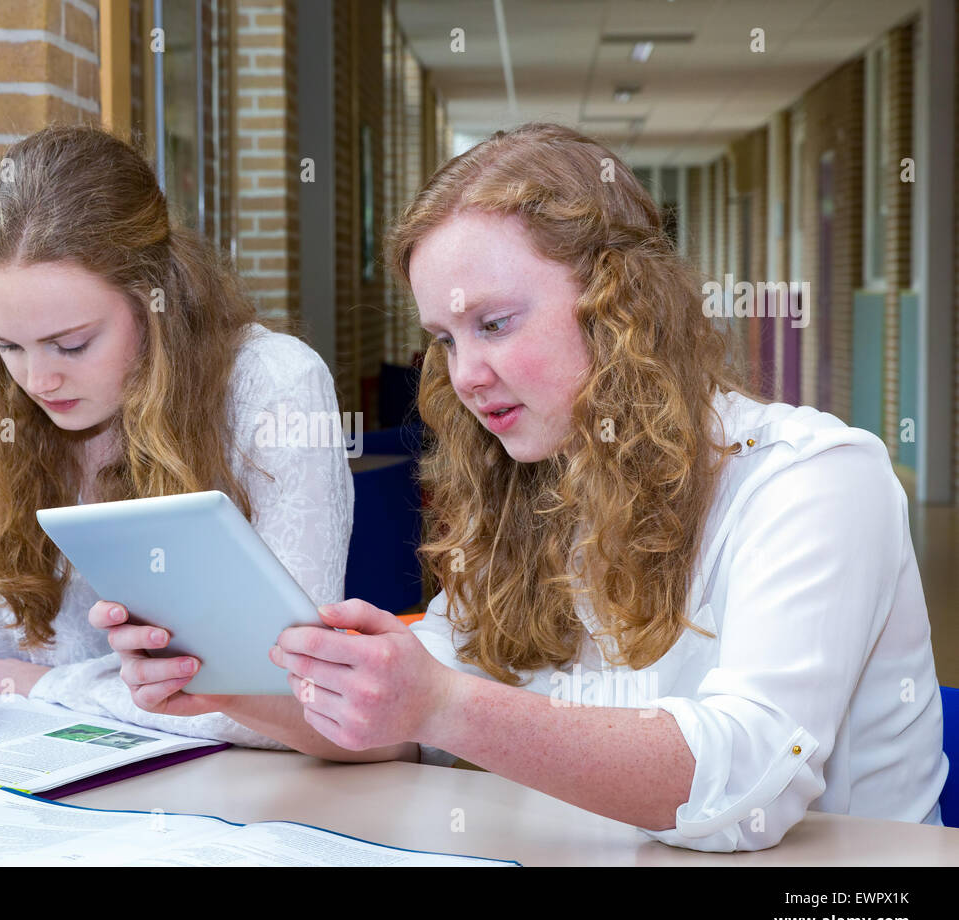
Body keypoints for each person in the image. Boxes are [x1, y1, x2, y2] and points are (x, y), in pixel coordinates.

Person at [96, 122, 948, 851]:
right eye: (445, 338)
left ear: (622, 306)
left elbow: (747, 788)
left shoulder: (816, 480)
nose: (467, 375)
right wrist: (234, 688)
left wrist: (441, 706)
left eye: (494, 324)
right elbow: (407, 727)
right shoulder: (532, 478)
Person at [0, 123, 353, 751]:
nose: (38, 380)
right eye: (8, 344)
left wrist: (45, 685)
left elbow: (303, 694)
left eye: (72, 343)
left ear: (154, 298)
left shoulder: (274, 387)